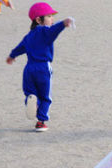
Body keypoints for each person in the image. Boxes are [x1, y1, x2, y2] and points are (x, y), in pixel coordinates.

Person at [6, 2, 73, 132]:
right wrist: (63, 23)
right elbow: (54, 30)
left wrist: (12, 56)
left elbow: (21, 47)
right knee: (45, 96)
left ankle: (32, 103)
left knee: (30, 93)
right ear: (38, 19)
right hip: (43, 68)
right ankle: (41, 122)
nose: (52, 19)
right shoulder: (45, 31)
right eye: (49, 16)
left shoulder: (29, 35)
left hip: (29, 69)